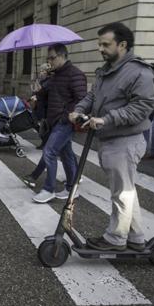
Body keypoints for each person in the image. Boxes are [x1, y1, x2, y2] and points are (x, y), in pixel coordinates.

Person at [70, 22, 154, 252]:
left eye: (105, 44)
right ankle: (136, 239)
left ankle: (116, 239)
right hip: (109, 139)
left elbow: (142, 107)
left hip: (126, 140)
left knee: (122, 193)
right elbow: (92, 96)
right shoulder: (106, 71)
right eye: (99, 44)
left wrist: (107, 119)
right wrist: (78, 110)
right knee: (126, 191)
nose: (101, 49)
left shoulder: (139, 72)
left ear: (122, 45)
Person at [32, 44, 87, 203]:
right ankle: (72, 188)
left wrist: (66, 115)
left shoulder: (74, 74)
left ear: (63, 56)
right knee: (66, 154)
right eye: (48, 58)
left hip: (65, 121)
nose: (49, 61)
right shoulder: (55, 75)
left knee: (49, 152)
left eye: (52, 57)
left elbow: (82, 99)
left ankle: (48, 189)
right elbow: (48, 96)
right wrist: (39, 90)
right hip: (54, 120)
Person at [22, 63, 52, 187]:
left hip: (50, 116)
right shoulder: (43, 81)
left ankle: (36, 177)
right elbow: (38, 93)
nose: (40, 73)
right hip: (44, 113)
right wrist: (35, 93)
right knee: (64, 152)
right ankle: (74, 175)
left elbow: (45, 96)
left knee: (51, 150)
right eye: (40, 71)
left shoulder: (50, 82)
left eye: (42, 71)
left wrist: (38, 93)